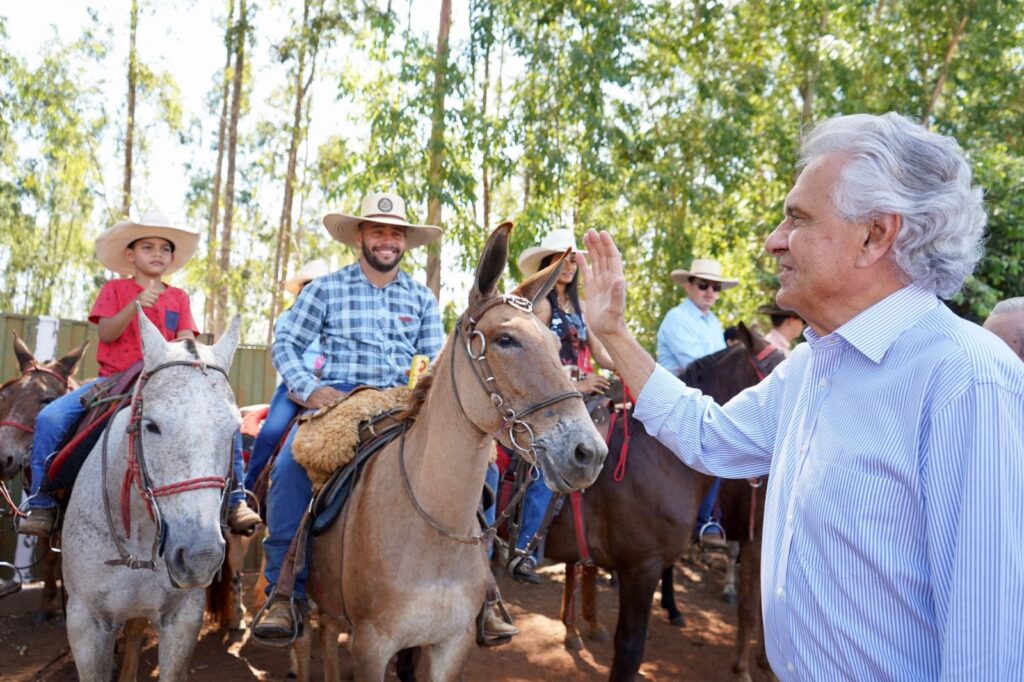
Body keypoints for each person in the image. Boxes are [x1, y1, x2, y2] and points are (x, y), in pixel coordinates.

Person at [579, 112, 1024, 679]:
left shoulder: (968, 381)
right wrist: (613, 334)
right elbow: (709, 436)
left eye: (797, 218)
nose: (772, 242)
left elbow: (990, 651)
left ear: (875, 235)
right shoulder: (814, 363)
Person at [252, 191, 448, 639]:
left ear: (405, 242)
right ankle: (284, 593)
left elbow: (434, 360)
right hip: (339, 403)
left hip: (401, 405)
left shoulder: (421, 299)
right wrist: (309, 389)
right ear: (359, 235)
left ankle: (483, 586)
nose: (387, 241)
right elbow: (285, 344)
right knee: (289, 470)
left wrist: (427, 390)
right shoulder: (325, 289)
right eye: (377, 231)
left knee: (473, 469)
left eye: (395, 233)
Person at [17, 212, 260, 537]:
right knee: (50, 418)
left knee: (224, 420)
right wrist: (134, 305)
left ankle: (234, 499)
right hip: (114, 380)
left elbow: (187, 341)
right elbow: (106, 333)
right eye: (148, 247)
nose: (157, 253)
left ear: (172, 257)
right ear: (130, 255)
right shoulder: (115, 289)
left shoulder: (179, 297)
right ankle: (42, 502)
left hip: (166, 383)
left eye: (164, 248)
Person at [509, 229, 615, 583]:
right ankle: (524, 551)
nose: (569, 266)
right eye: (561, 258)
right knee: (548, 461)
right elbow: (535, 358)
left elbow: (601, 354)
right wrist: (576, 384)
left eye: (572, 259)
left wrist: (636, 367)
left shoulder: (581, 307)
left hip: (585, 391)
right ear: (547, 264)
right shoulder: (541, 305)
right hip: (550, 394)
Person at [657, 258, 739, 547]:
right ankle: (704, 521)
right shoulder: (676, 318)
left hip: (702, 398)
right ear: (689, 285)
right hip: (673, 398)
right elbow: (699, 366)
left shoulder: (714, 323)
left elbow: (718, 369)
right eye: (703, 285)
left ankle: (712, 518)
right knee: (719, 439)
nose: (709, 292)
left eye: (715, 287)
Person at [244, 259, 330, 493]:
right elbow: (286, 352)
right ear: (300, 290)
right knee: (272, 432)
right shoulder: (287, 319)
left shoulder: (334, 319)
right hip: (295, 387)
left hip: (329, 385)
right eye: (308, 285)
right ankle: (246, 489)